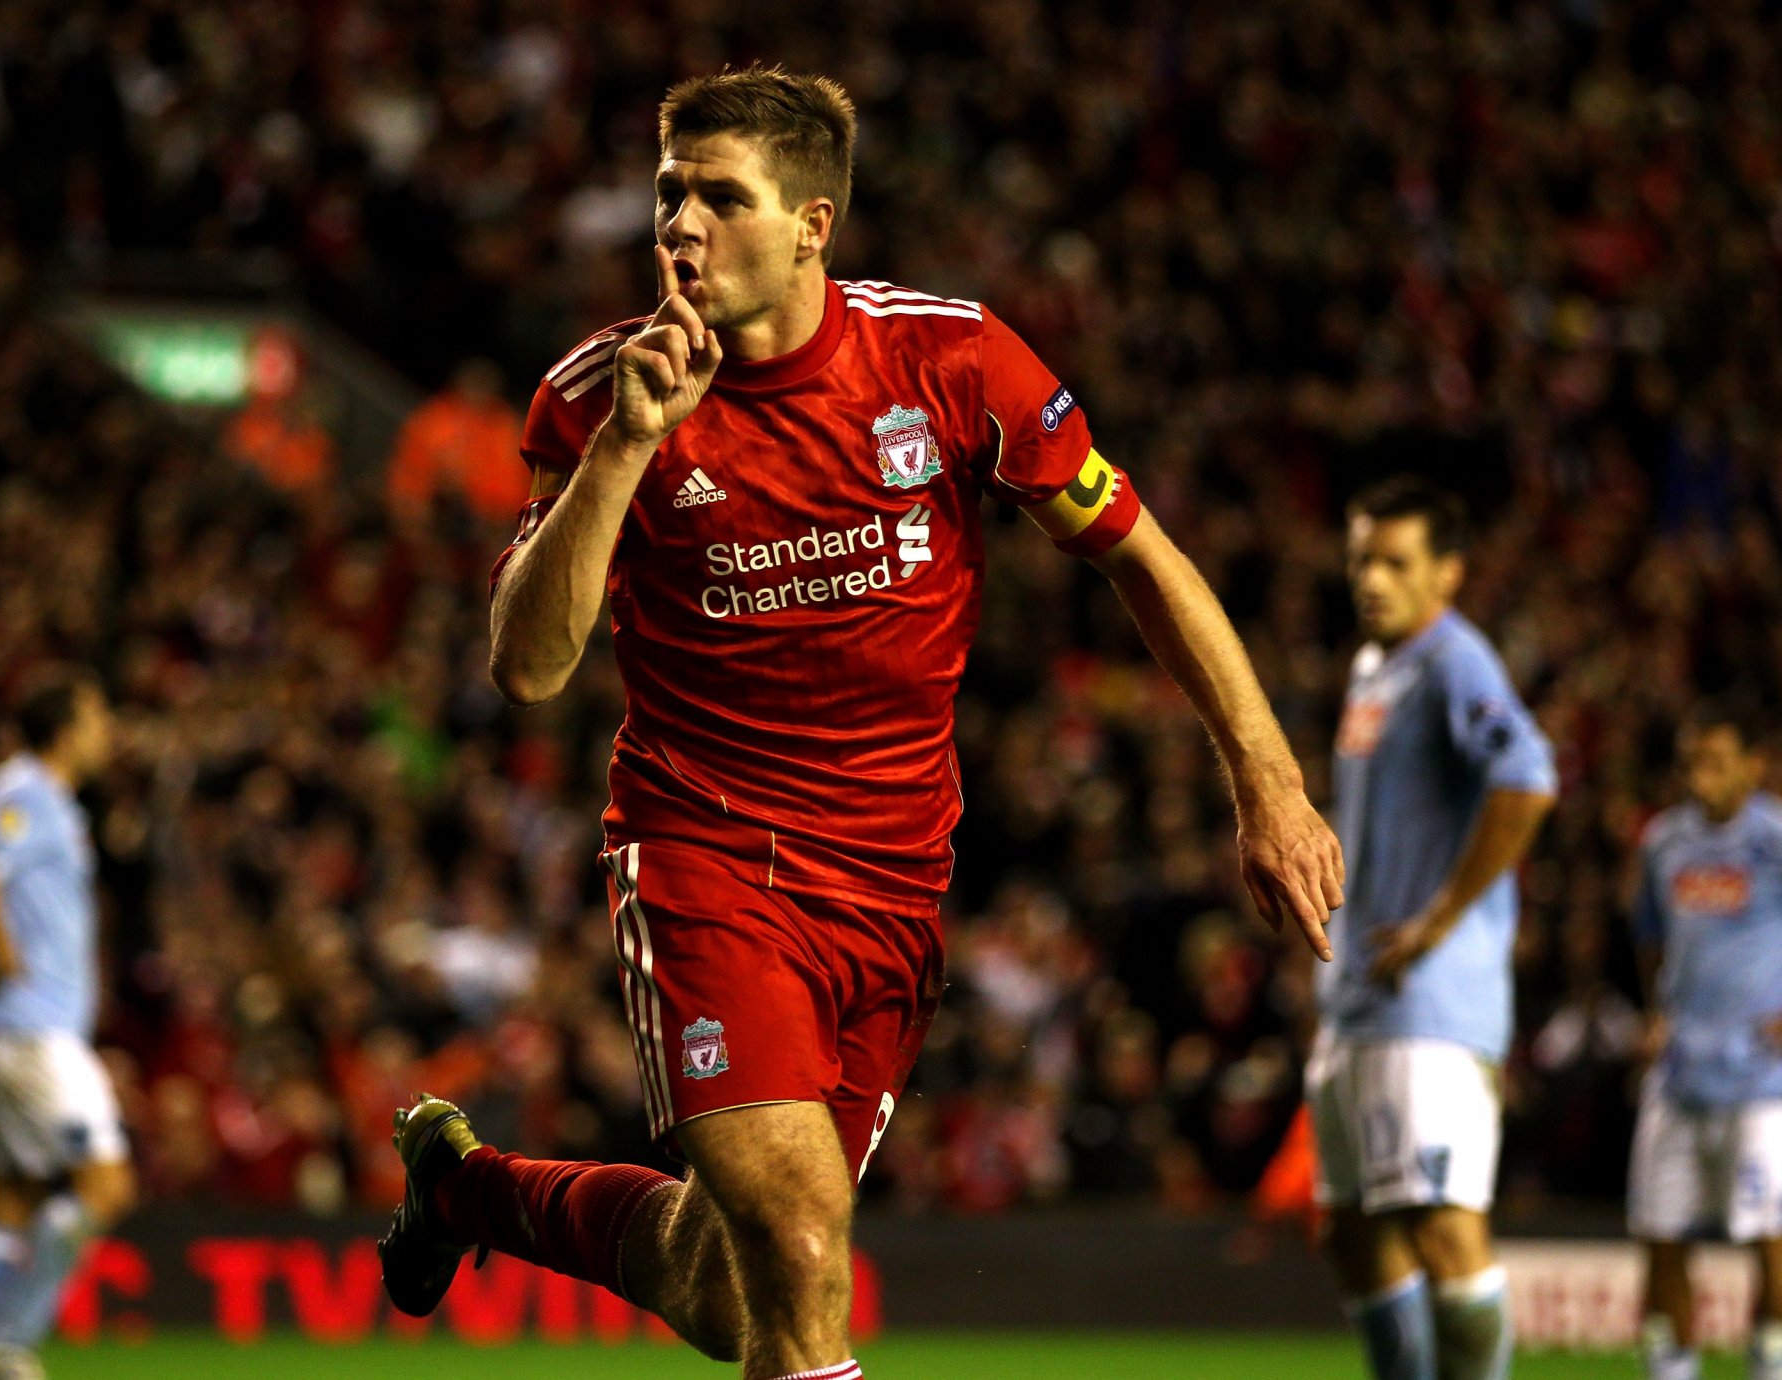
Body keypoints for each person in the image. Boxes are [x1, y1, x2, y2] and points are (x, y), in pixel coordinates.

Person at [378, 65, 1344, 1380]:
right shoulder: (595, 394)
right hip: (708, 861)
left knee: (736, 1294)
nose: (680, 225)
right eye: (669, 193)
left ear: (812, 226)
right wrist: (624, 448)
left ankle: (469, 1191)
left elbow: (1140, 553)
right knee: (801, 1248)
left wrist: (1270, 786)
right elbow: (527, 668)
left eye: (722, 198)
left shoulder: (950, 362)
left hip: (893, 890)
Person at [1307, 476, 1557, 1380]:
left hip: (1429, 1005)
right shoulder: (1374, 669)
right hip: (1359, 1001)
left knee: (1444, 1229)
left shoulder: (1457, 661)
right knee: (1352, 1233)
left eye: (1395, 562)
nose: (1372, 580)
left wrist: (1440, 919)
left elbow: (1527, 779)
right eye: (1361, 560)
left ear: (1447, 573)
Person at [0, 671, 135, 1380]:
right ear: (65, 729)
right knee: (105, 1184)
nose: (106, 731)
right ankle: (9, 1341)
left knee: (8, 1195)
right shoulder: (25, 788)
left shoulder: (52, 801)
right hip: (31, 1029)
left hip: (11, 1029)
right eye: (97, 716)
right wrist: (3, 956)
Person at [1628, 702, 1782, 1380]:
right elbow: (1650, 936)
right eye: (1691, 762)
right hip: (1679, 1071)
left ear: (1754, 764)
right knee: (1661, 1232)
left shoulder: (1774, 839)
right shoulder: (1664, 841)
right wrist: (1655, 1011)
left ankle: (1769, 1364)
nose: (1700, 777)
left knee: (1771, 1240)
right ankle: (1672, 1370)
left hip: (1763, 1079)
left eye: (1716, 762)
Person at [385, 358, 528, 523]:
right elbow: (405, 476)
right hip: (428, 513)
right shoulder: (432, 419)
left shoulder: (506, 429)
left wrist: (472, 490)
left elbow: (513, 494)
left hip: (486, 521)